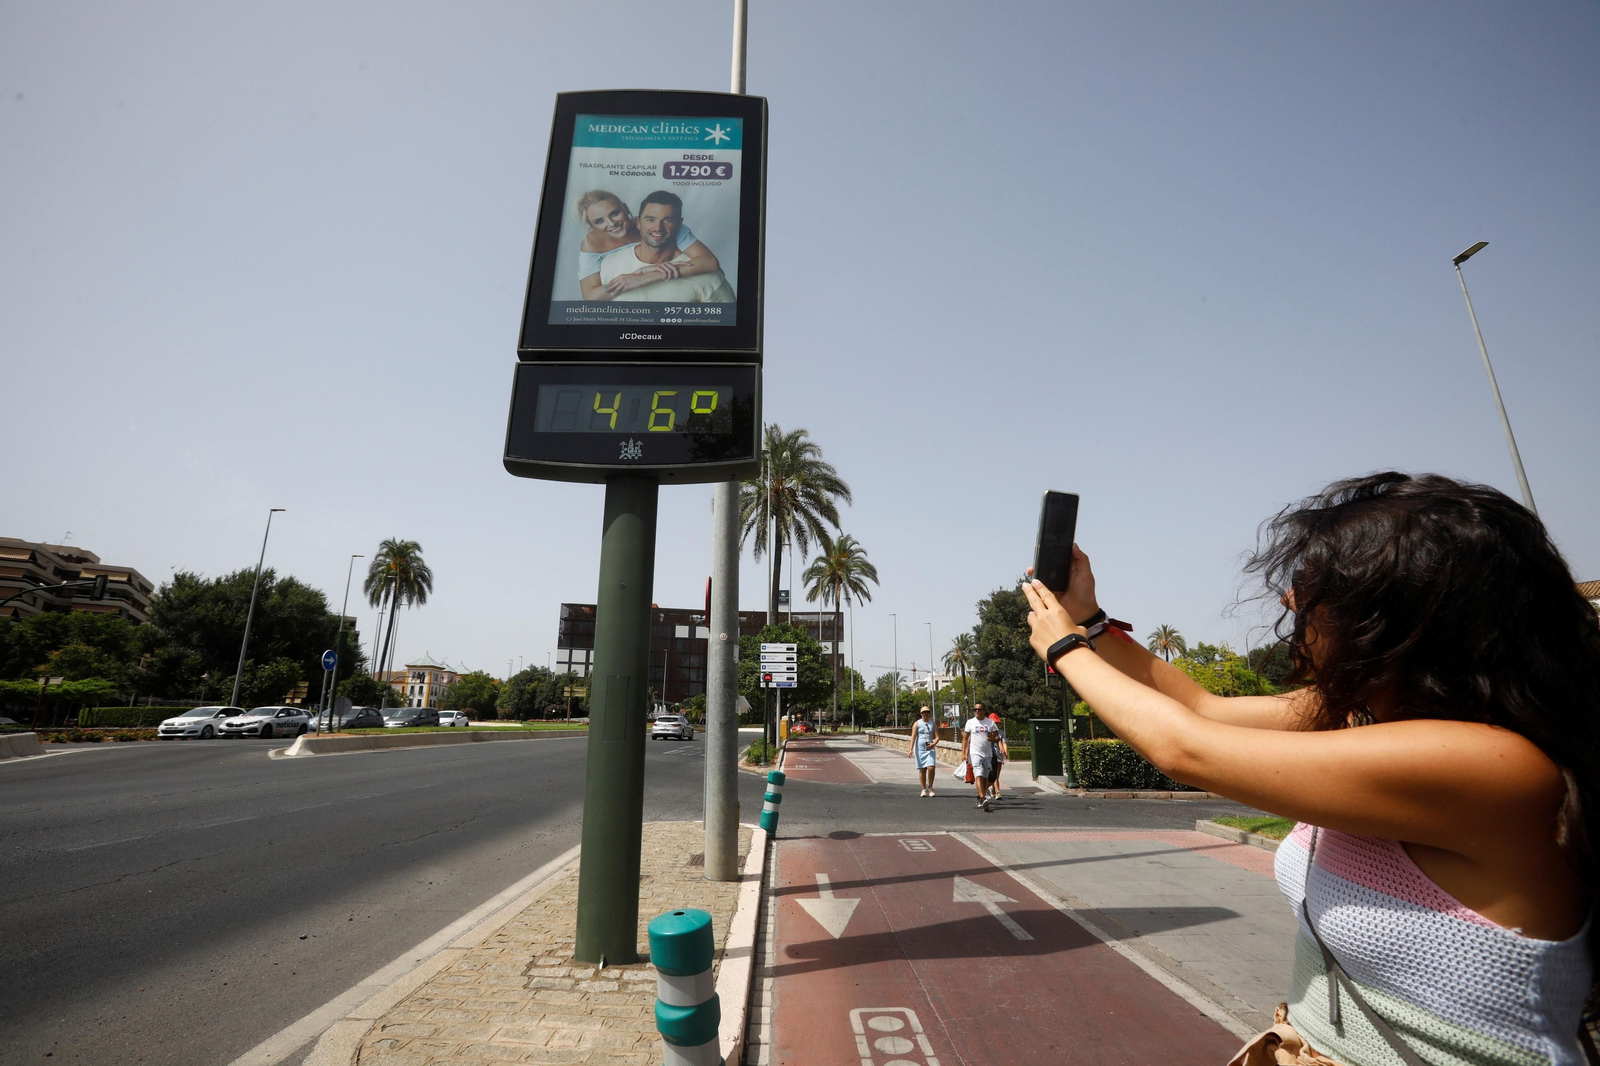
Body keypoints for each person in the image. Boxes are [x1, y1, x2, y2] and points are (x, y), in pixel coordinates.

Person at [1021, 473, 1598, 1065]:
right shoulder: (1359, 718)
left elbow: (1185, 748)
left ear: (1394, 613)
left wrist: (1065, 650)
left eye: (1313, 588)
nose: (1290, 603)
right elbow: (1202, 709)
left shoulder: (1492, 765)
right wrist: (1089, 621)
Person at [571, 189, 721, 302]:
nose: (612, 223)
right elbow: (590, 296)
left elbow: (709, 262)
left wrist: (648, 276)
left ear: (625, 208)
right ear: (592, 226)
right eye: (599, 221)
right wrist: (637, 274)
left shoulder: (655, 226)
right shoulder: (592, 244)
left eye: (614, 213)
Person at [962, 703, 995, 811]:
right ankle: (982, 797)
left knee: (985, 777)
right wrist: (964, 753)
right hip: (975, 753)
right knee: (978, 773)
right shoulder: (970, 722)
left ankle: (981, 796)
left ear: (984, 711)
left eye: (979, 709)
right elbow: (965, 739)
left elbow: (997, 737)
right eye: (975, 709)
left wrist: (993, 739)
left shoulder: (990, 723)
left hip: (988, 754)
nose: (977, 711)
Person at [914, 705, 938, 797]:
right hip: (920, 749)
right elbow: (913, 737)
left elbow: (937, 736)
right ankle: (923, 789)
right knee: (922, 769)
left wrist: (933, 743)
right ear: (921, 714)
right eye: (924, 712)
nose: (926, 714)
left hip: (930, 748)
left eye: (927, 712)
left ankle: (930, 787)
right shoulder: (917, 724)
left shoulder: (933, 724)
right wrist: (910, 749)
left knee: (931, 767)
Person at [986, 712, 1009, 800]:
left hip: (998, 756)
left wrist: (1005, 752)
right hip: (990, 755)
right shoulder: (987, 732)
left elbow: (1004, 743)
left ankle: (993, 789)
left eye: (996, 722)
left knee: (997, 774)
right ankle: (998, 791)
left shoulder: (1001, 732)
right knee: (993, 774)